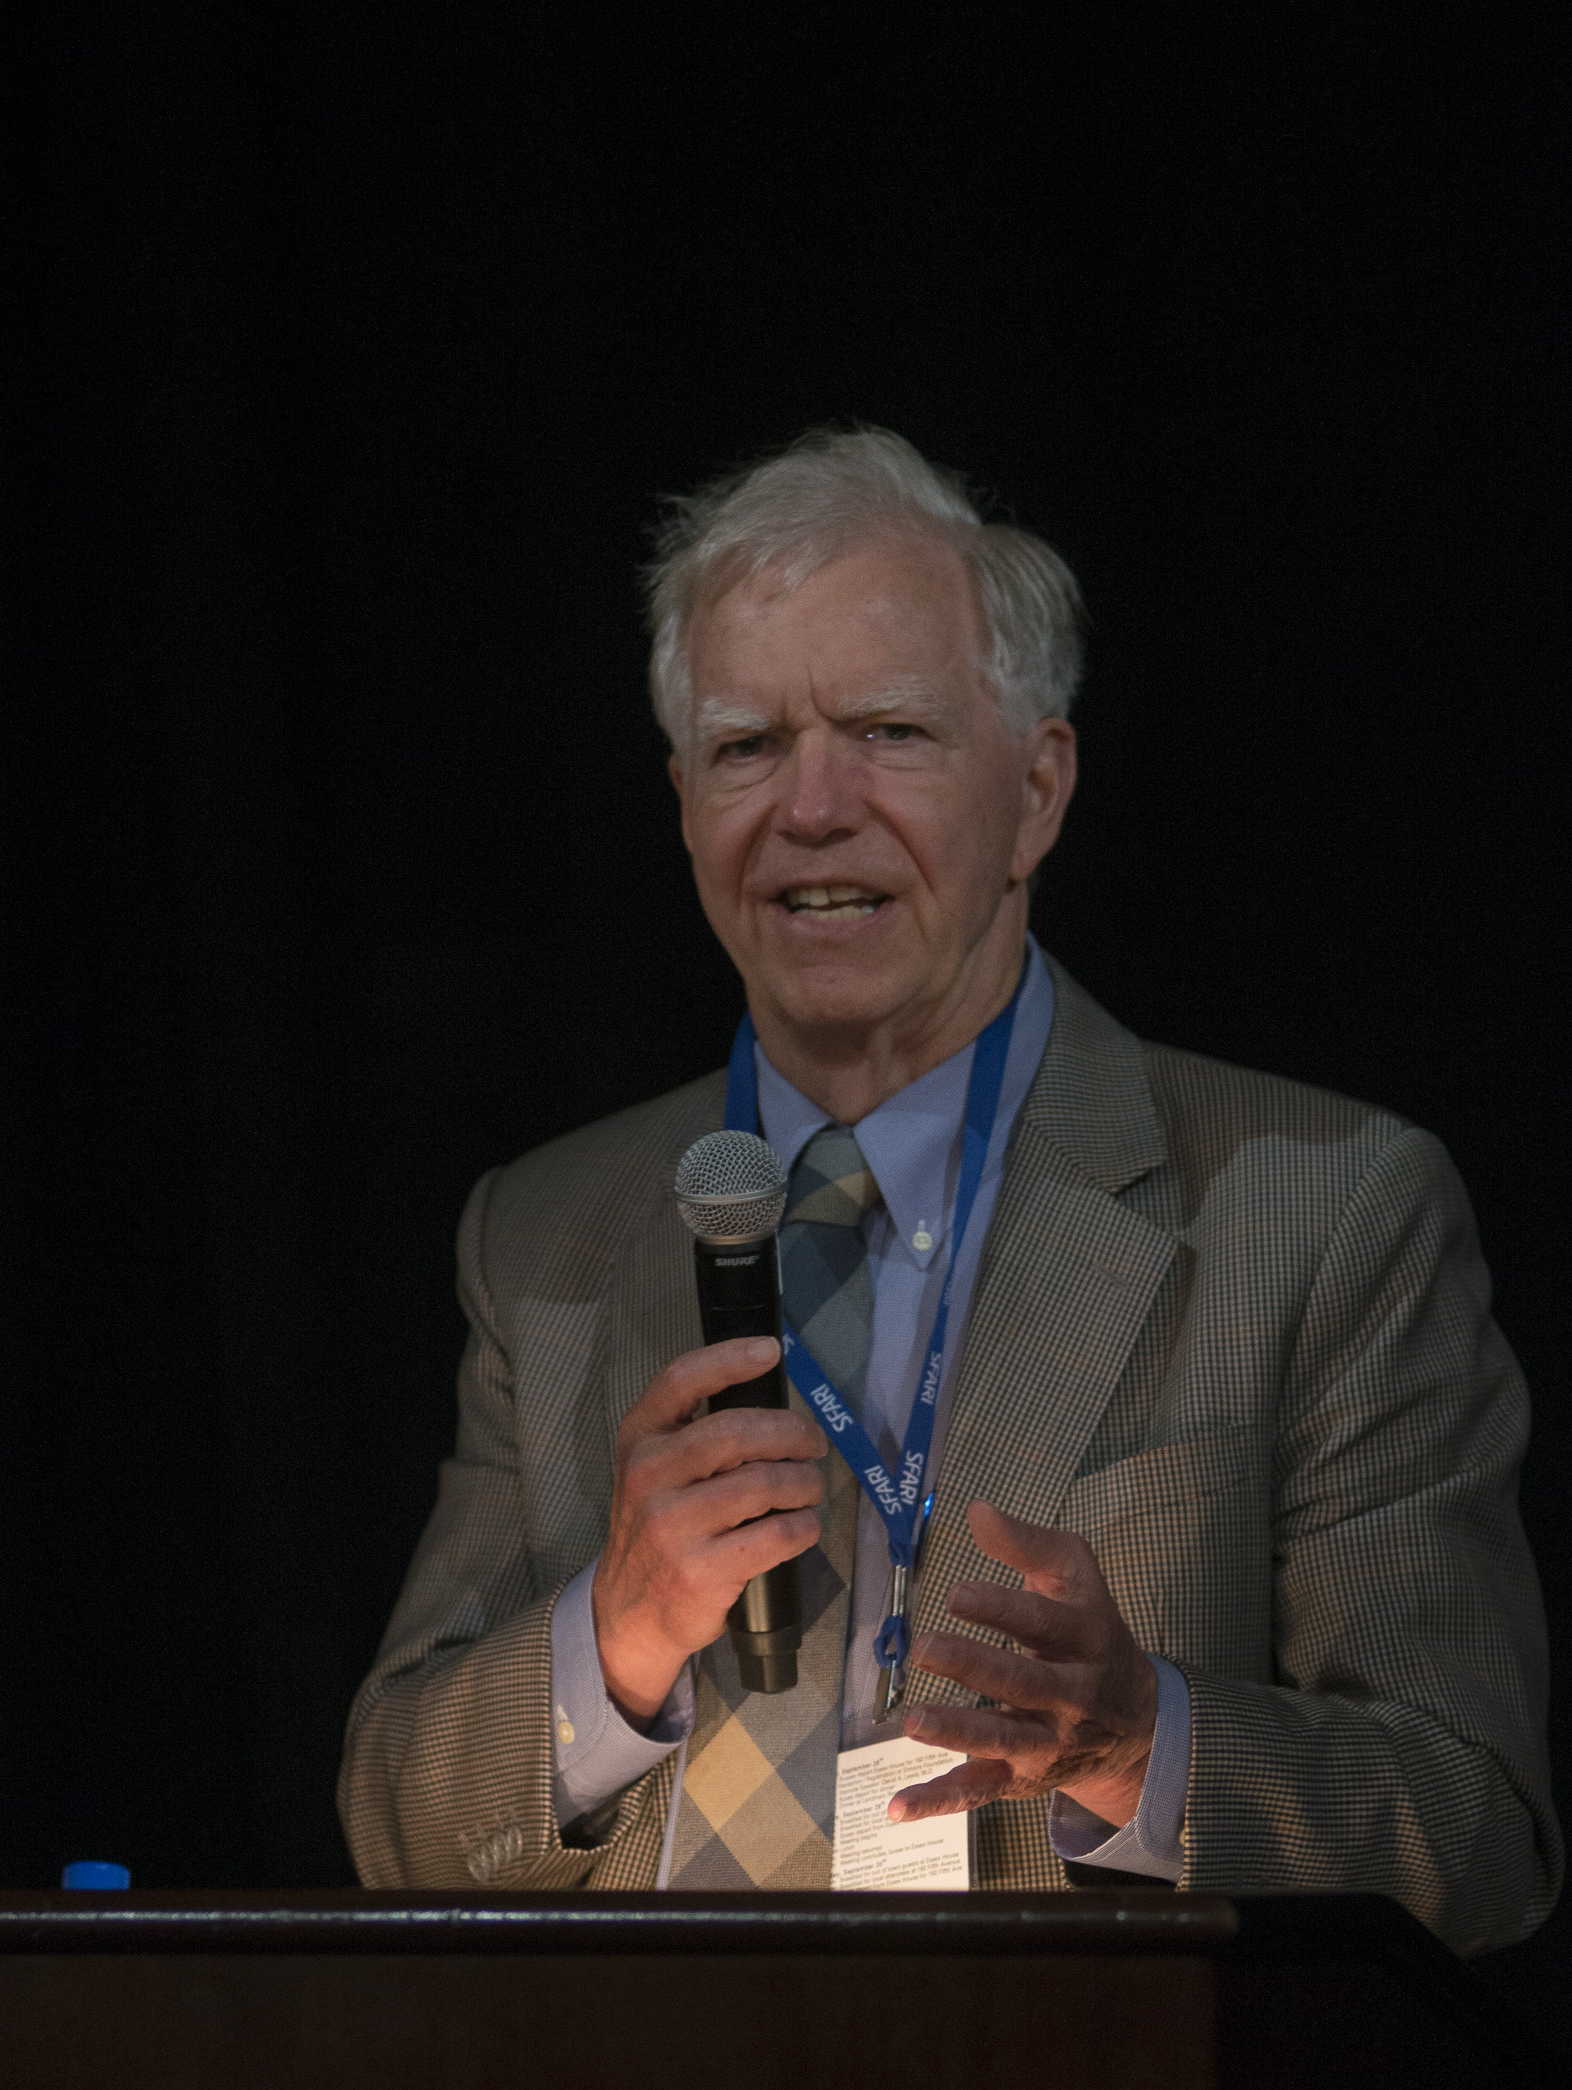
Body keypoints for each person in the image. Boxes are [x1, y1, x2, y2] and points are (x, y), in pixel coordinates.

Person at [338, 426, 1557, 1953]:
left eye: (889, 734)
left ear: (1037, 790)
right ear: (682, 806)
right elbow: (391, 1817)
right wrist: (611, 1641)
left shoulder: (1319, 1213)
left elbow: (1474, 1827)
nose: (813, 808)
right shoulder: (546, 1238)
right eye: (745, 747)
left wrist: (1145, 1744)